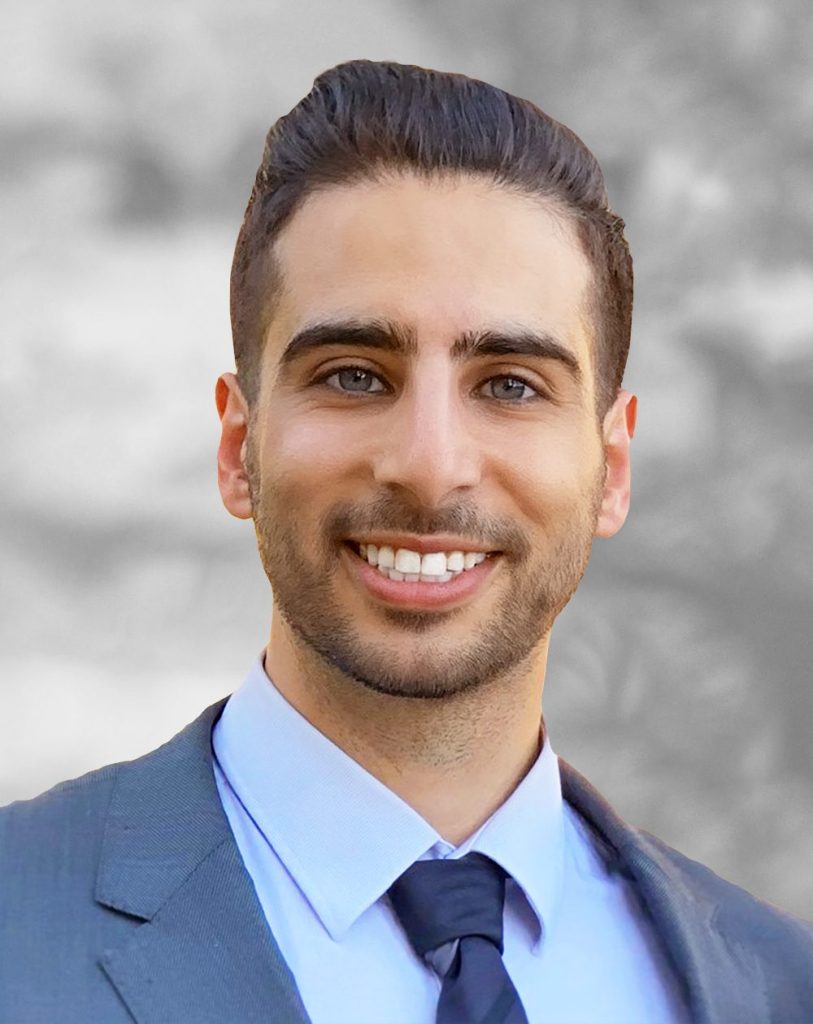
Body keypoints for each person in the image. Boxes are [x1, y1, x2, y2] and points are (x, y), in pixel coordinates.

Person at [1, 59, 811, 1024]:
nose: (429, 467)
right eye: (352, 374)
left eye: (510, 384)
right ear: (236, 447)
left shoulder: (777, 985)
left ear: (613, 468)